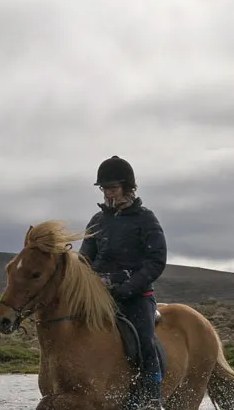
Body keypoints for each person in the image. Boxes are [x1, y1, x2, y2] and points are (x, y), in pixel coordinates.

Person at [79, 155, 168, 410]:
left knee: (144, 340)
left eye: (113, 189)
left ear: (128, 188)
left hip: (136, 296)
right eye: (105, 189)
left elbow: (156, 260)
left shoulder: (145, 219)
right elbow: (84, 258)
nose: (109, 194)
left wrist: (128, 287)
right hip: (100, 296)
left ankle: (152, 398)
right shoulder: (97, 221)